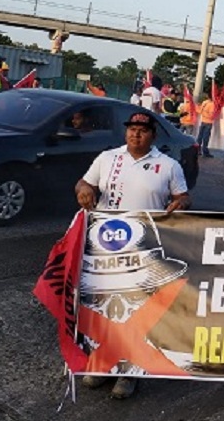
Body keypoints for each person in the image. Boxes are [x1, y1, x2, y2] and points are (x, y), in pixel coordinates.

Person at [74, 111, 191, 399]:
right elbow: (82, 183)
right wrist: (85, 189)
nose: (135, 134)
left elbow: (182, 197)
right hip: (105, 247)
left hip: (145, 250)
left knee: (137, 312)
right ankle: (100, 365)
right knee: (100, 308)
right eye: (131, 129)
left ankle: (129, 374)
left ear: (153, 135)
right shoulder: (107, 158)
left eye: (142, 129)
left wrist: (181, 204)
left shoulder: (168, 166)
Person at [196, 93, 217, 158]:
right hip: (208, 122)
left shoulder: (204, 102)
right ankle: (205, 152)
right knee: (206, 138)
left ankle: (198, 150)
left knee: (200, 137)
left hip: (203, 121)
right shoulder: (212, 104)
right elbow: (211, 115)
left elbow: (199, 111)